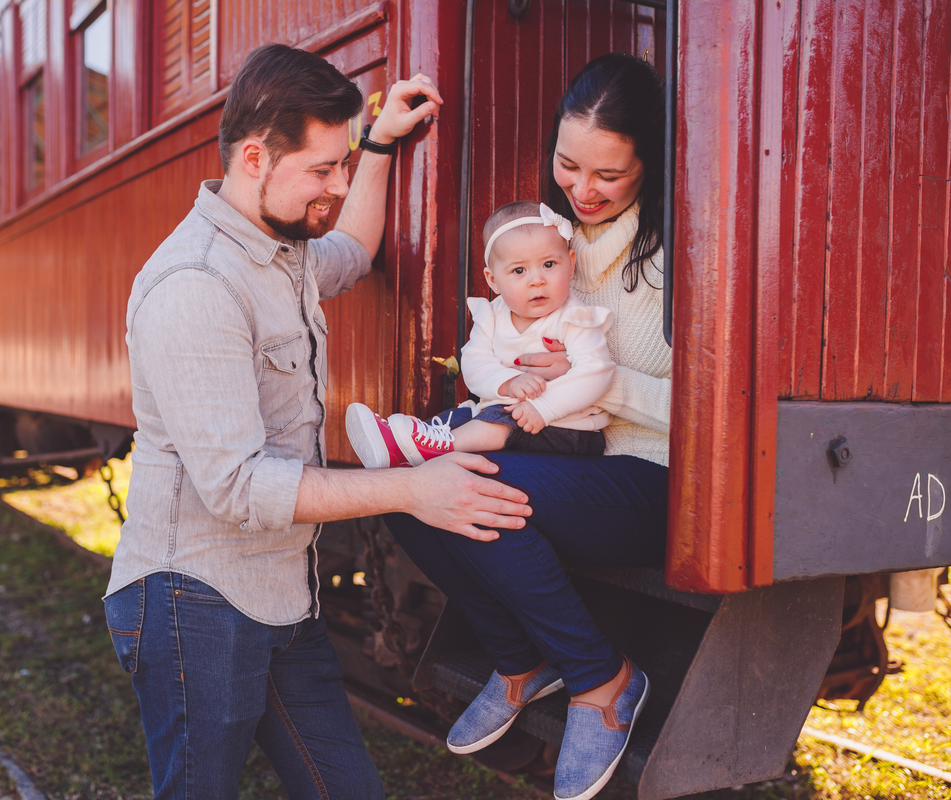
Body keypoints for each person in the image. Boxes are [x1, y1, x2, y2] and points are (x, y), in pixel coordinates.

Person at [102, 44, 533, 800]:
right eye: (322, 170)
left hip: (280, 593)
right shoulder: (196, 285)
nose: (333, 188)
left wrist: (379, 145)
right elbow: (238, 488)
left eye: (341, 168)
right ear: (255, 158)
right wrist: (410, 488)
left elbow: (355, 252)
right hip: (192, 602)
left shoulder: (283, 247)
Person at [383, 52, 670, 800]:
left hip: (655, 477)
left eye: (609, 175)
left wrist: (587, 387)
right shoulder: (544, 240)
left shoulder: (678, 250)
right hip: (563, 455)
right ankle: (517, 662)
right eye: (568, 165)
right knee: (402, 486)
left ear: (652, 163)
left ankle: (602, 681)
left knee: (468, 481)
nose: (583, 189)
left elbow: (711, 409)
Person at [345, 199, 613, 468]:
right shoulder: (492, 315)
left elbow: (596, 372)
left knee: (501, 416)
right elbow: (474, 364)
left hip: (568, 428)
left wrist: (545, 408)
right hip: (508, 416)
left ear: (571, 263)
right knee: (462, 414)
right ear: (493, 280)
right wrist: (507, 382)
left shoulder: (574, 317)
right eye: (519, 270)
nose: (537, 279)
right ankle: (397, 447)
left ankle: (435, 448)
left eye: (549, 264)